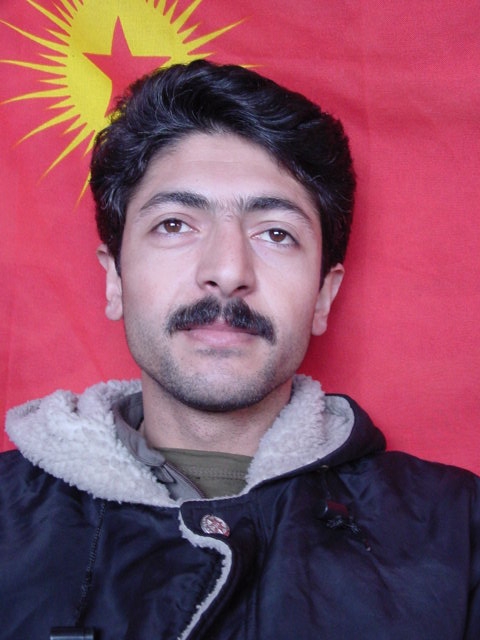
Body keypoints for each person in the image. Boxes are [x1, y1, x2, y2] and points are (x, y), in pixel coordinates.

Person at [0, 60, 478, 640]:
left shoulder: (462, 533)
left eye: (275, 233)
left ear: (323, 296)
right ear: (115, 281)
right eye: (175, 225)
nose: (228, 271)